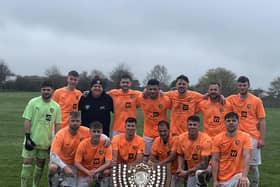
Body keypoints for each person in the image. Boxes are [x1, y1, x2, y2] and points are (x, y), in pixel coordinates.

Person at [20, 80, 61, 187]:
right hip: (31, 140)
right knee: (27, 163)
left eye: (48, 90)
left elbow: (57, 125)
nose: (46, 92)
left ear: (52, 91)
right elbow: (27, 120)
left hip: (45, 142)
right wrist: (28, 137)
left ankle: (35, 185)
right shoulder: (33, 102)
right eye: (44, 90)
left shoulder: (56, 106)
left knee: (40, 165)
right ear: (41, 90)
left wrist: (55, 141)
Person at [227, 76, 266, 187]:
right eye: (240, 85)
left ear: (248, 86)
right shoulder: (232, 99)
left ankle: (255, 184)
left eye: (244, 85)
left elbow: (262, 120)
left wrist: (262, 139)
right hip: (237, 137)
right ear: (237, 86)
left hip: (252, 137)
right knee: (236, 164)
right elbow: (221, 101)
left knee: (253, 166)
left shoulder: (256, 100)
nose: (242, 87)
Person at [48, 111, 90, 186]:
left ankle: (62, 181)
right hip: (62, 162)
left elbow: (99, 135)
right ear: (68, 121)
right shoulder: (61, 134)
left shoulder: (86, 131)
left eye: (77, 121)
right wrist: (64, 167)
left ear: (81, 122)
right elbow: (53, 155)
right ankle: (53, 181)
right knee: (53, 167)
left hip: (76, 164)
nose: (75, 123)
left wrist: (106, 140)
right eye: (73, 121)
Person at [212, 112, 252, 187]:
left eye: (234, 121)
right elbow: (215, 160)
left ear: (238, 122)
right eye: (228, 121)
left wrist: (244, 176)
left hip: (236, 176)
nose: (231, 123)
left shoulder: (245, 137)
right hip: (222, 178)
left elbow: (247, 156)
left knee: (245, 182)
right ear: (224, 122)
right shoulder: (217, 138)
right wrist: (215, 181)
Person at [137, 79, 171, 160]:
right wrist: (143, 92)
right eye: (150, 89)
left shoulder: (165, 99)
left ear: (159, 89)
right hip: (148, 133)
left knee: (162, 156)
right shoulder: (141, 98)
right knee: (146, 157)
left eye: (155, 89)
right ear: (147, 89)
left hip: (161, 133)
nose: (152, 91)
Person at [176, 115, 212, 187]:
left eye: (194, 125)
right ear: (187, 125)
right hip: (191, 169)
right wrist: (180, 168)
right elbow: (180, 154)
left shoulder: (206, 140)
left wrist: (186, 172)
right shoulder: (181, 138)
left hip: (204, 168)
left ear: (199, 126)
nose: (192, 127)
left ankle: (204, 182)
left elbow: (204, 163)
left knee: (199, 174)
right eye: (190, 124)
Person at [75, 121, 112, 187]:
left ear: (101, 132)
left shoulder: (106, 143)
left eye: (98, 131)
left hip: (98, 171)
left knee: (107, 172)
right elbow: (77, 163)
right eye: (94, 131)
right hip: (84, 172)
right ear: (90, 132)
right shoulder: (83, 144)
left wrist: (95, 172)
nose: (96, 134)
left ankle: (99, 182)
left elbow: (108, 163)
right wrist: (88, 172)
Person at [149, 120, 179, 187]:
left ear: (169, 130)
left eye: (164, 131)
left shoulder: (175, 139)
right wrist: (158, 164)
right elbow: (152, 157)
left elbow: (173, 156)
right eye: (160, 131)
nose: (162, 133)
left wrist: (160, 164)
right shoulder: (157, 140)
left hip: (173, 171)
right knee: (149, 162)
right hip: (162, 169)